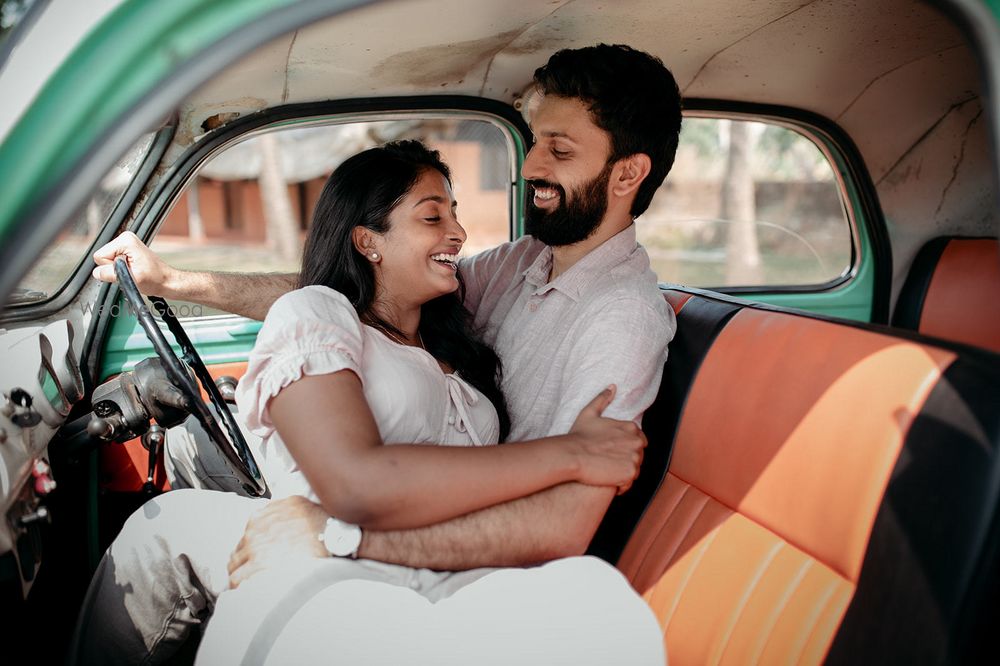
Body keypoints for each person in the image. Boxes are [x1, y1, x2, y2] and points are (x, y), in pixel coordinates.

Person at [77, 43, 682, 663]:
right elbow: (369, 289)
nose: (529, 167)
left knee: (206, 560)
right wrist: (177, 284)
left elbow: (559, 528)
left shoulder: (622, 319)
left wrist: (343, 538)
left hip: (449, 561)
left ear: (627, 173)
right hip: (391, 515)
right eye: (532, 142)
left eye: (559, 150)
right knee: (162, 528)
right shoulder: (523, 262)